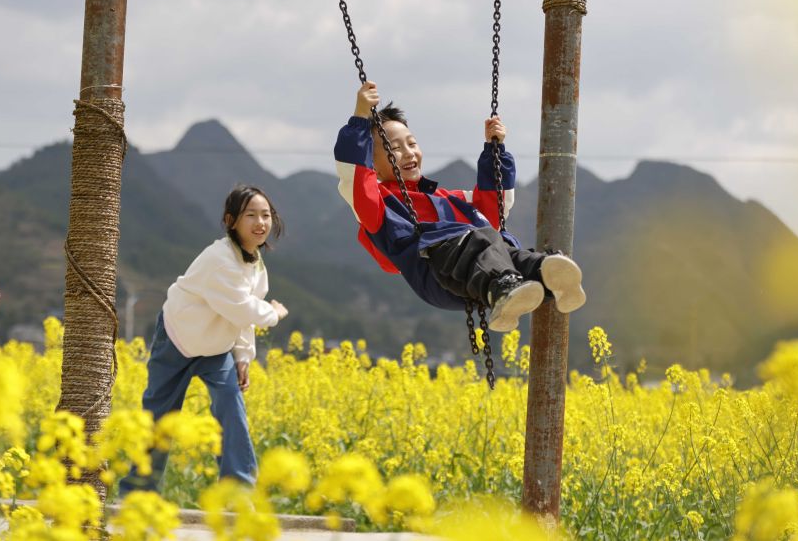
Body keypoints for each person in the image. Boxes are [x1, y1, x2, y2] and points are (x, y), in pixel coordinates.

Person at [333, 80, 586, 332]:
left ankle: (547, 276)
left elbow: (494, 208)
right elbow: (354, 176)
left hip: (477, 273)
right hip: (436, 274)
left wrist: (495, 151)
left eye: (412, 143)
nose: (408, 153)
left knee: (500, 246)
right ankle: (503, 288)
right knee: (477, 239)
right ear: (372, 165)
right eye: (394, 149)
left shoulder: (447, 199)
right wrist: (360, 118)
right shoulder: (379, 204)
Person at [119, 185, 289, 496]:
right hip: (178, 338)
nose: (260, 222)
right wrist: (274, 313)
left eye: (266, 215)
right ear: (231, 221)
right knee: (159, 415)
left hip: (216, 348)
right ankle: (137, 493)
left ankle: (237, 492)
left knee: (231, 409)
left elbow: (240, 315)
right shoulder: (221, 259)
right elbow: (243, 308)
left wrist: (243, 357)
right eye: (251, 215)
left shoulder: (255, 264)